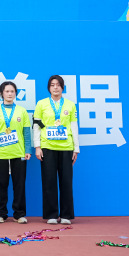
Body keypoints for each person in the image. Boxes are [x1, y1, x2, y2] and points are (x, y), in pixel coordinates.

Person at [33, 75, 79, 225]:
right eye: (52, 85)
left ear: (62, 87)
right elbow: (36, 126)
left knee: (66, 181)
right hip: (47, 147)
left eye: (58, 85)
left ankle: (66, 215)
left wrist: (76, 149)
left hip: (66, 147)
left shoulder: (70, 105)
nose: (55, 87)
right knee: (49, 181)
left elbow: (74, 127)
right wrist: (37, 146)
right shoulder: (41, 104)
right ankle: (51, 214)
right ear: (49, 88)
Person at [0, 81, 32, 223]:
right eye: (7, 91)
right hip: (0, 154)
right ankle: (0, 214)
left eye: (12, 91)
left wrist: (28, 150)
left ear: (16, 94)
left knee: (19, 184)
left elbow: (26, 132)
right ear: (1, 94)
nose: (10, 94)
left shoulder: (22, 111)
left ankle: (19, 214)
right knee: (0, 184)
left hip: (18, 153)